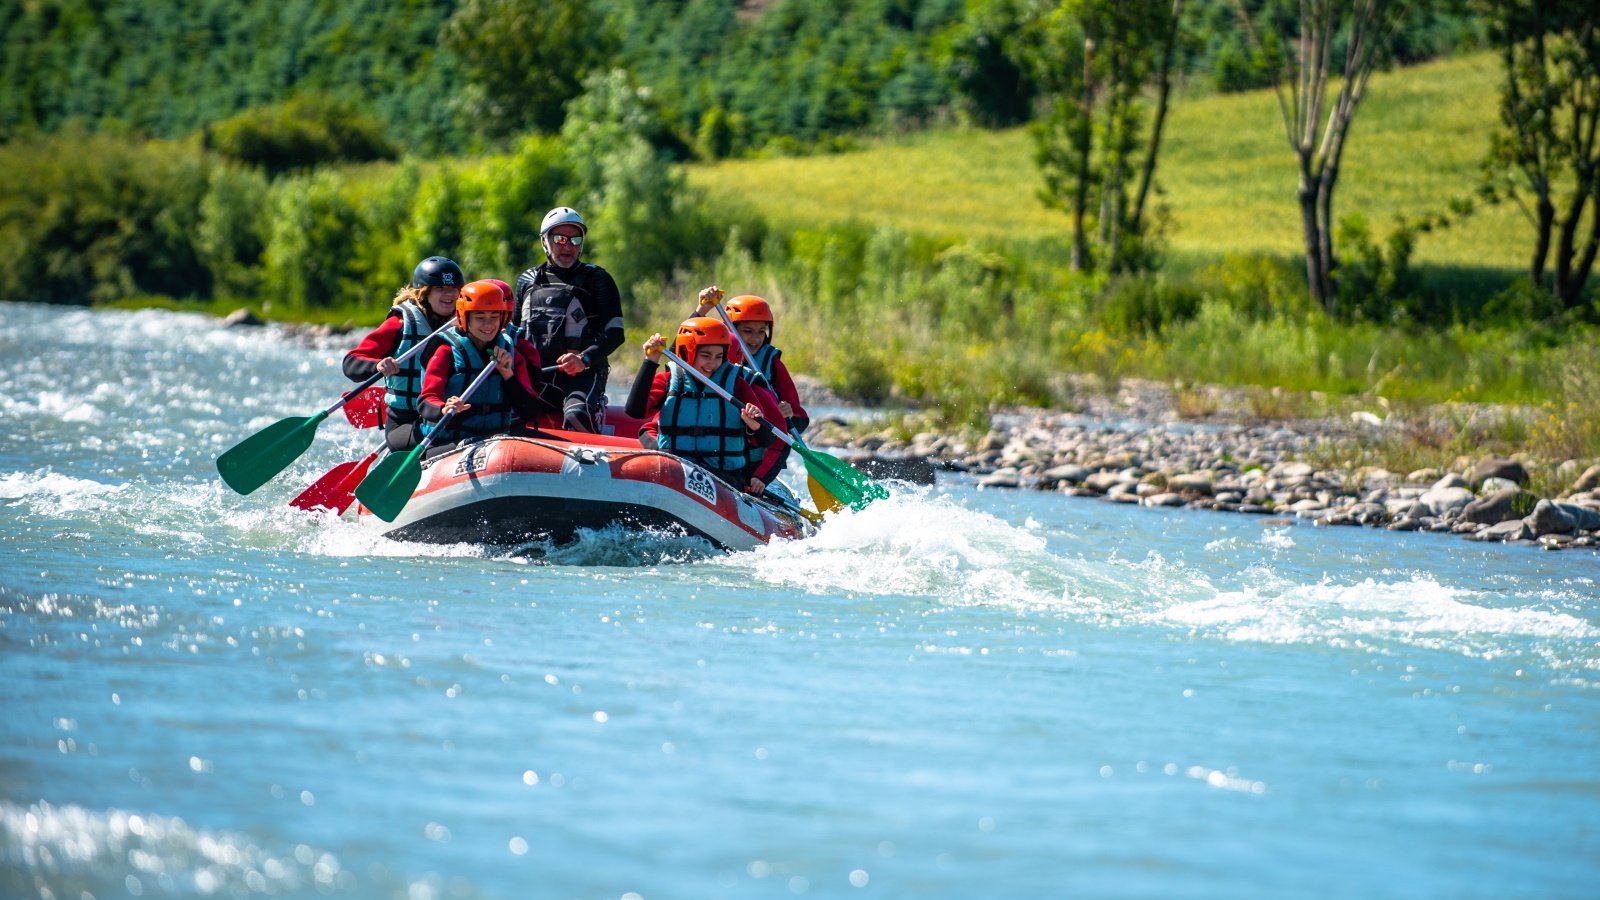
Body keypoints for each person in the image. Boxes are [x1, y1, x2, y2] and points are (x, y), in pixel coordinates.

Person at [624, 317, 786, 496]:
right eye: (705, 356)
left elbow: (768, 439)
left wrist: (755, 424)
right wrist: (650, 361)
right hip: (675, 467)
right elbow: (634, 410)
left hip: (723, 478)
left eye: (718, 357)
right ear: (687, 352)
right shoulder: (669, 380)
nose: (712, 364)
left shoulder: (737, 384)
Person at [514, 206, 625, 433]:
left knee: (576, 416)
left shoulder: (598, 280)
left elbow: (615, 334)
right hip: (537, 375)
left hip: (582, 375)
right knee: (507, 415)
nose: (568, 246)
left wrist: (583, 359)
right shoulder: (527, 280)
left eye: (575, 240)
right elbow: (513, 333)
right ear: (545, 241)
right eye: (560, 239)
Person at [344, 256, 463, 451]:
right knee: (448, 440)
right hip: (405, 422)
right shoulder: (400, 323)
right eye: (440, 288)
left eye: (454, 289)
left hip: (447, 417)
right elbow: (350, 363)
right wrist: (377, 366)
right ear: (424, 292)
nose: (449, 294)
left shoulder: (468, 323)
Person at [418, 280, 550, 450]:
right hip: (449, 443)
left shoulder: (511, 353)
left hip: (495, 441)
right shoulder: (446, 351)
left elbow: (529, 411)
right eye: (480, 318)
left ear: (502, 318)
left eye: (494, 317)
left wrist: (508, 376)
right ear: (464, 317)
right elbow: (426, 400)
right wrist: (444, 408)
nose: (488, 324)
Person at [692, 287, 810, 437]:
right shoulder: (711, 359)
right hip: (718, 442)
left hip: (762, 451)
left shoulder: (772, 364)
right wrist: (701, 310)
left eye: (761, 331)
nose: (755, 339)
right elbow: (679, 357)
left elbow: (801, 421)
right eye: (747, 331)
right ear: (729, 330)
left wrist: (788, 415)